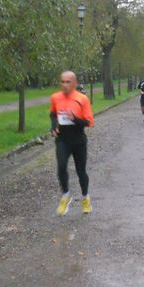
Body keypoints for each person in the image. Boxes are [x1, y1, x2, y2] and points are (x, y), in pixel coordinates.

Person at [50, 71, 94, 216]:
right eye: (62, 81)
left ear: (74, 83)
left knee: (81, 171)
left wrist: (74, 118)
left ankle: (85, 197)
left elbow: (89, 122)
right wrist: (53, 126)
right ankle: (66, 195)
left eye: (68, 82)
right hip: (62, 140)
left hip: (78, 140)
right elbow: (53, 114)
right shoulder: (55, 97)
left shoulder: (82, 99)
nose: (65, 84)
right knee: (61, 167)